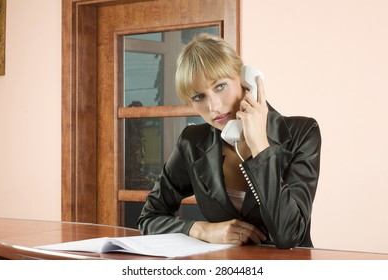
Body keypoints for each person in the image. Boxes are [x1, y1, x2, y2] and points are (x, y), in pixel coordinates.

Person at [137, 33, 321, 249]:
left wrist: (260, 146)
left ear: (245, 79)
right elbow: (148, 218)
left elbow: (289, 235)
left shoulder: (302, 133)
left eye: (220, 86)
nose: (213, 106)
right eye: (199, 97)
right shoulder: (192, 142)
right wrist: (202, 229)